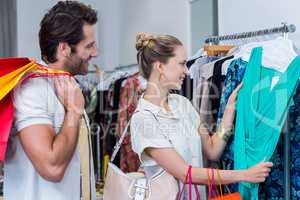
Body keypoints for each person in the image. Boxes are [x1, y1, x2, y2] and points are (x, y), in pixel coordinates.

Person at [130, 33, 273, 198]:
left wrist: (228, 111)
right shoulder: (144, 119)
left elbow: (212, 150)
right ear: (160, 67)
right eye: (182, 64)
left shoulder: (182, 104)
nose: (187, 70)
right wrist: (244, 175)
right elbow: (185, 173)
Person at [4, 1, 98, 200]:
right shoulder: (32, 89)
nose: (95, 52)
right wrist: (73, 112)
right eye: (89, 45)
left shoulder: (69, 89)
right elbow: (51, 167)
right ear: (64, 48)